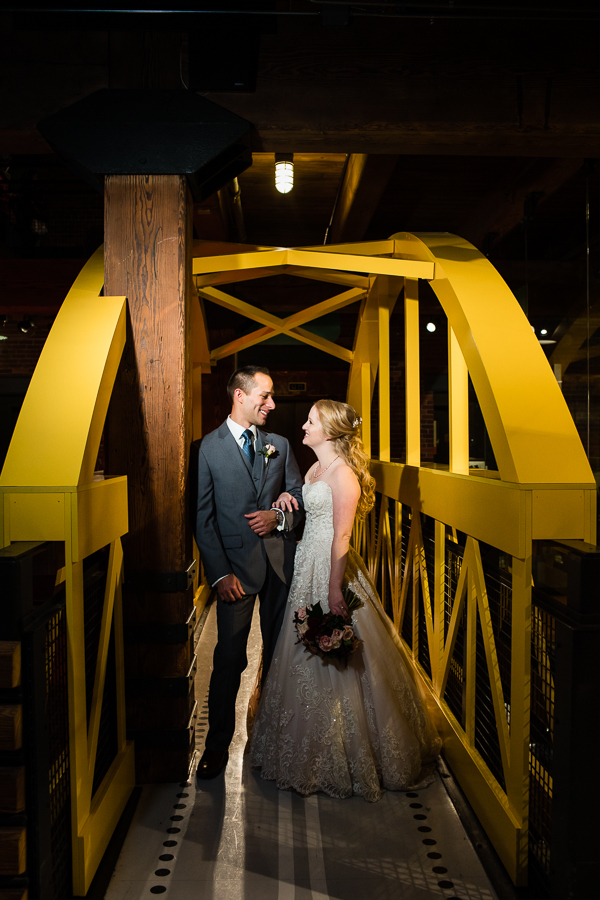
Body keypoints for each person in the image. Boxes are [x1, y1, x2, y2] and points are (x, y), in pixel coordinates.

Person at [250, 399, 441, 801]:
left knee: (333, 652)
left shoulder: (344, 478)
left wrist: (335, 589)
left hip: (330, 569)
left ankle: (340, 753)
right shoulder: (317, 468)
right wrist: (290, 501)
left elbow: (341, 537)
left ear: (331, 432)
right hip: (306, 564)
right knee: (303, 651)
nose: (303, 426)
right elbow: (310, 507)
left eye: (311, 421)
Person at [194, 365, 304, 779]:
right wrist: (220, 575)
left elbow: (296, 496)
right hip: (234, 575)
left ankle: (272, 744)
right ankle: (216, 748)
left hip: (278, 568)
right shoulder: (207, 448)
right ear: (240, 396)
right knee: (228, 660)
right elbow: (202, 519)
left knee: (279, 657)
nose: (272, 404)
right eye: (265, 395)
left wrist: (277, 517)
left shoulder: (279, 445)